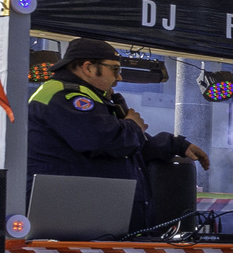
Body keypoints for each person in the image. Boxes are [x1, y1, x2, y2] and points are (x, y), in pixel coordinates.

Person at [27, 38, 210, 233]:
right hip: (70, 214)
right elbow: (103, 140)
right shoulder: (65, 97)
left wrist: (177, 145)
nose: (119, 77)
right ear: (88, 68)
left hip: (89, 214)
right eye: (114, 69)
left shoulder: (90, 98)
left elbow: (132, 147)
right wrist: (132, 126)